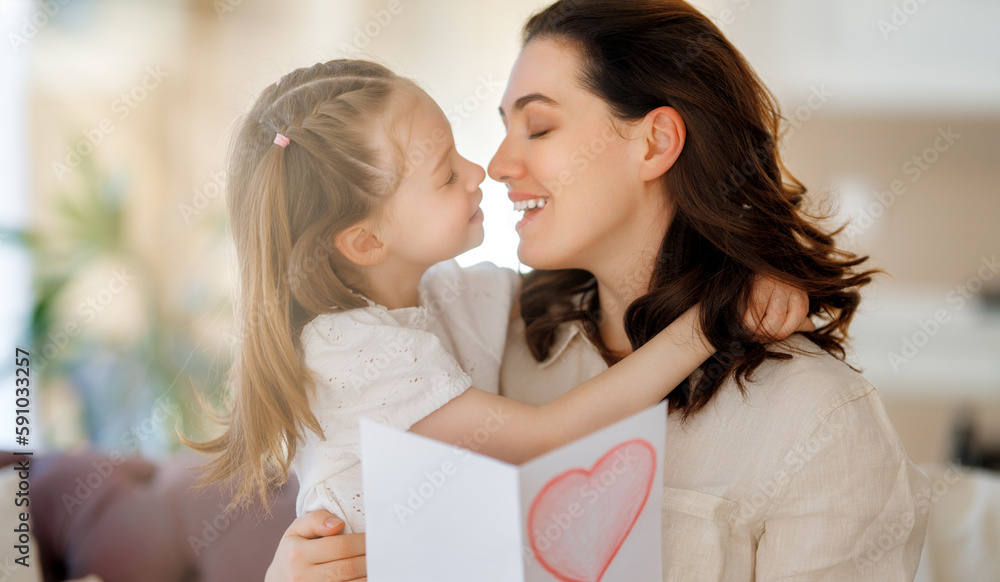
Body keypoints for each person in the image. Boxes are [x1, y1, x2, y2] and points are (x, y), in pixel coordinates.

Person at [268, 1, 932, 580]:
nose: (496, 166)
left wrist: (751, 274)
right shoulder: (482, 342)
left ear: (655, 143)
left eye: (539, 126)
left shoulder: (817, 422)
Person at [190, 59, 810, 538]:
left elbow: (608, 275)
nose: (479, 170)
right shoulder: (346, 349)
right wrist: (710, 323)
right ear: (366, 240)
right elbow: (546, 435)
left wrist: (753, 267)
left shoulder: (446, 295)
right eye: (444, 174)